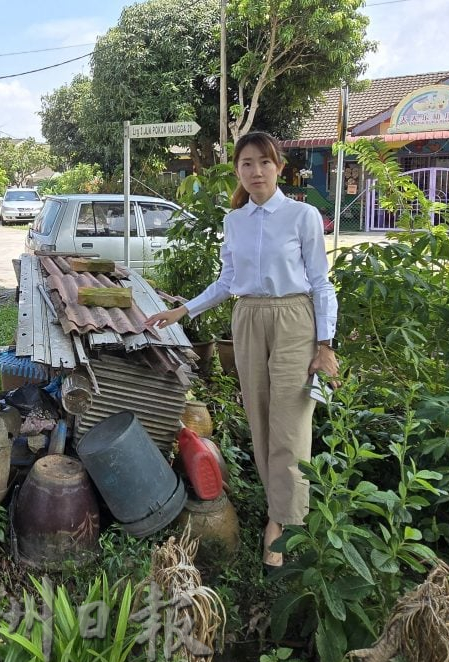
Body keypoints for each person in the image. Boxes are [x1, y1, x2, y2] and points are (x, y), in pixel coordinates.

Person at [144, 131, 338, 567]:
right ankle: (281, 509)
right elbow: (227, 281)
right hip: (247, 319)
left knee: (290, 425)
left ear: (279, 167)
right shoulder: (236, 221)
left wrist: (325, 344)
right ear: (237, 170)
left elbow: (321, 283)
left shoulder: (302, 216)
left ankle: (283, 523)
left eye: (264, 162)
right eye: (246, 163)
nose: (256, 172)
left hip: (293, 319)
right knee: (261, 420)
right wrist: (183, 312)